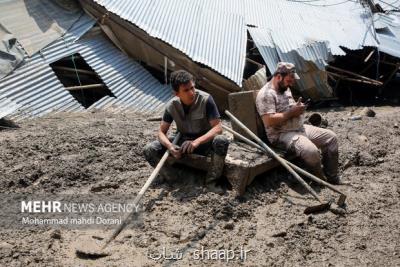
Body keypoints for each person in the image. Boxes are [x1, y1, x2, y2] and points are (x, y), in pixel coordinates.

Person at [143, 70, 229, 193]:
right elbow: (161, 133)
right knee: (149, 149)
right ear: (176, 93)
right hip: (183, 142)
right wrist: (171, 147)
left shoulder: (206, 100)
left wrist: (196, 142)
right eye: (186, 90)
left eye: (192, 88)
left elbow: (218, 128)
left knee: (221, 141)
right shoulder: (171, 106)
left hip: (204, 143)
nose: (192, 92)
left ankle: (211, 182)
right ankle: (173, 178)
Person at [255, 62, 340, 184]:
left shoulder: (285, 88)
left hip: (298, 128)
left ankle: (332, 177)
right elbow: (269, 120)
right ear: (279, 76)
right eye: (289, 80)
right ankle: (320, 180)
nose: (292, 83)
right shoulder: (266, 94)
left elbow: (288, 108)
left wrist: (298, 108)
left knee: (331, 138)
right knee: (311, 152)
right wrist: (292, 112)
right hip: (281, 134)